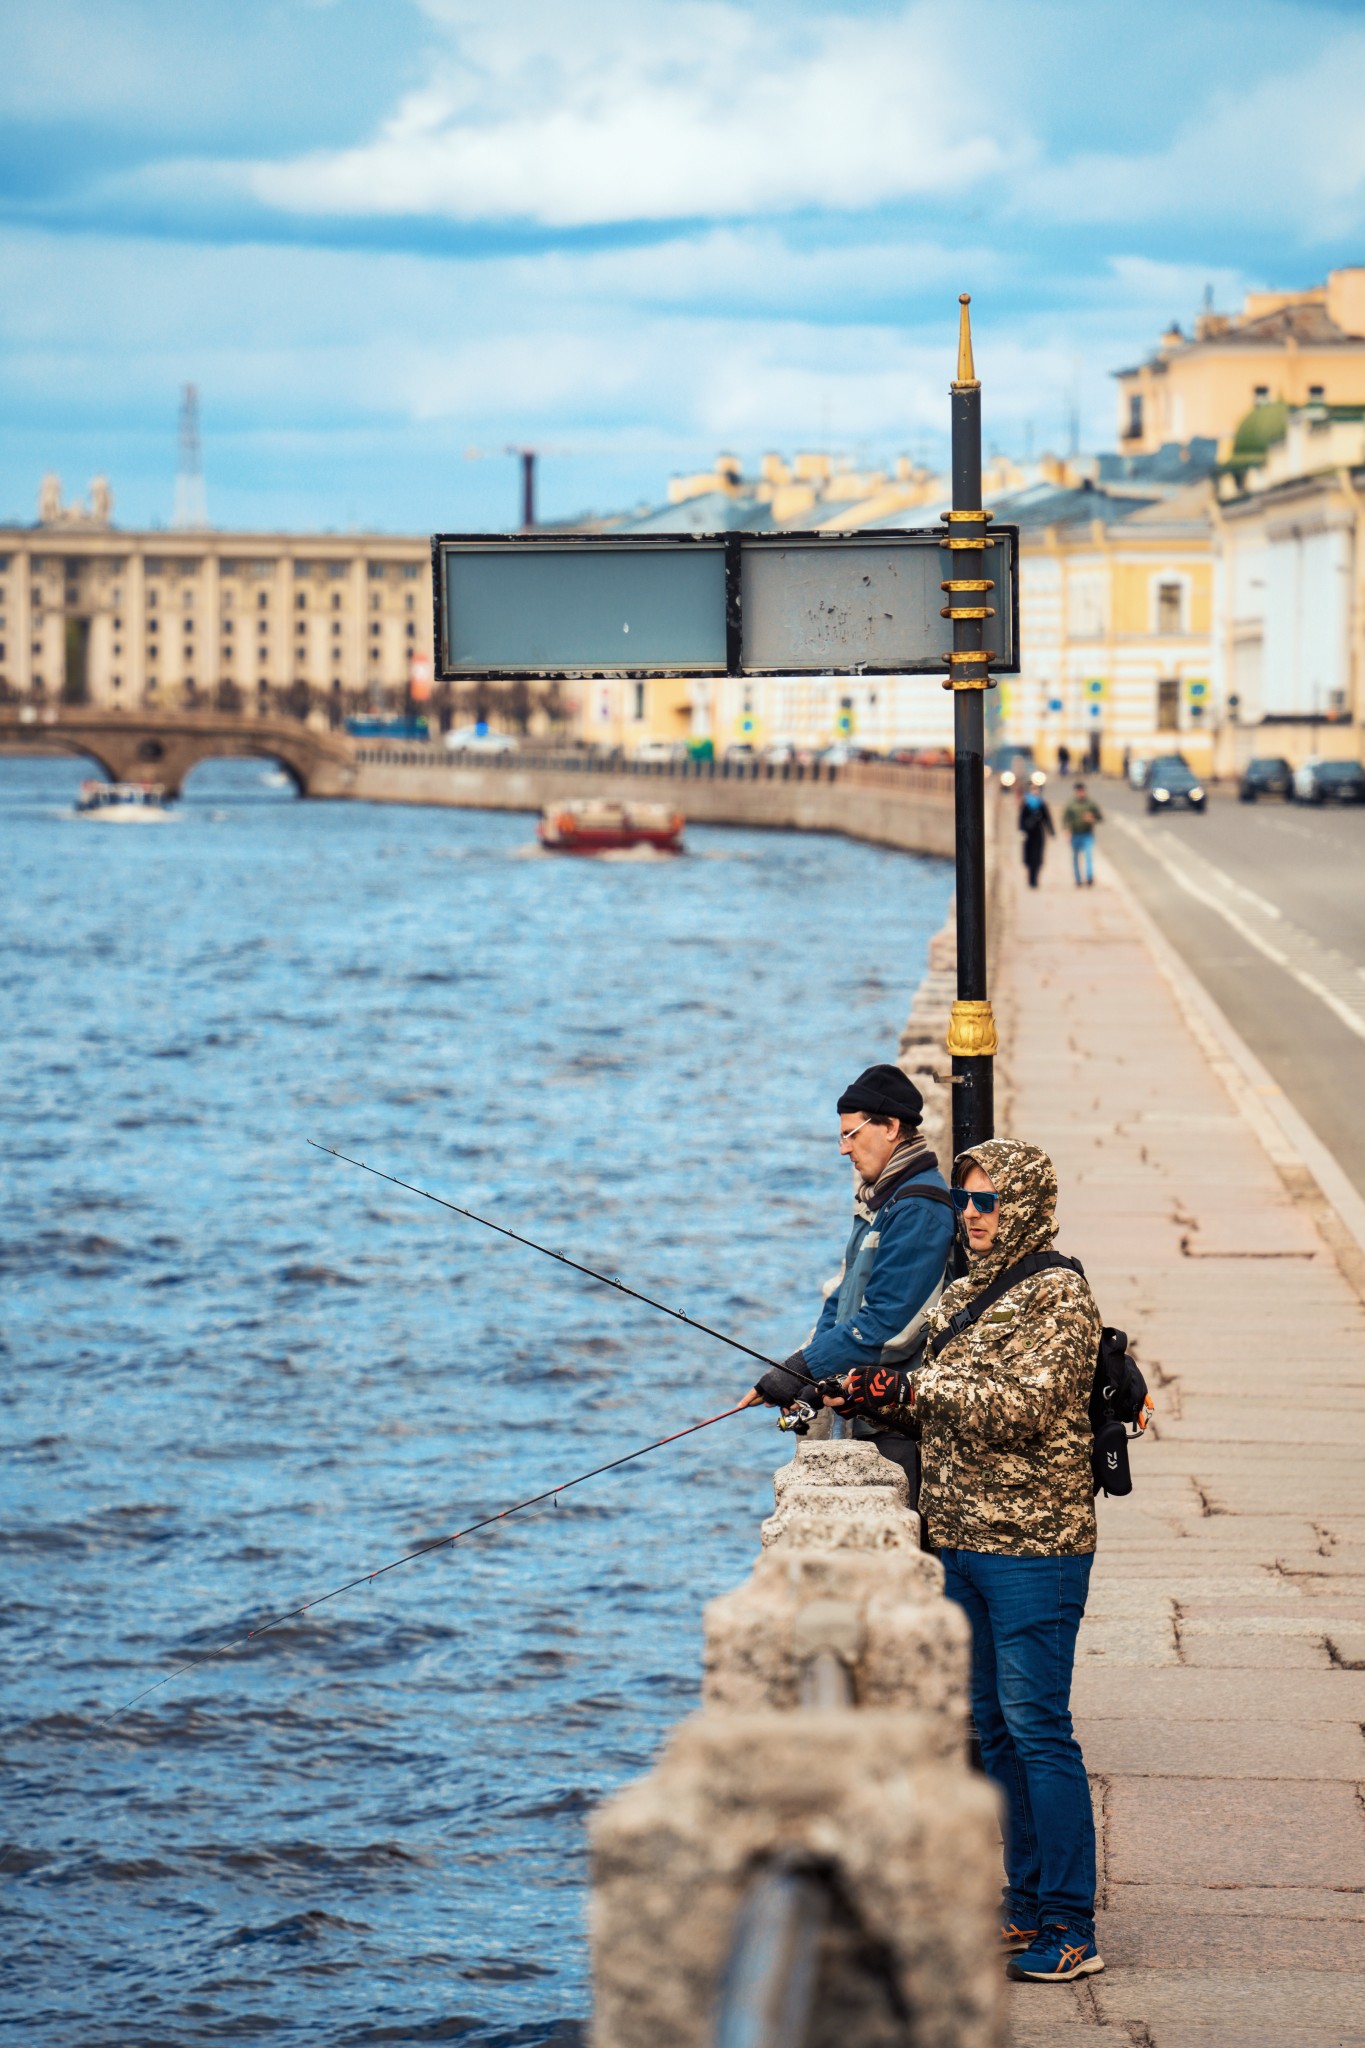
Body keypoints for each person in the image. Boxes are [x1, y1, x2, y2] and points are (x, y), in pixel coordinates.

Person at [829, 1139, 1104, 1982]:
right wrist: (872, 1398)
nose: (973, 1217)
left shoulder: (1058, 1297)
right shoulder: (964, 1290)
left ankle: (1071, 1926)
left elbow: (1024, 1407)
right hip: (960, 1535)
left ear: (1022, 1204)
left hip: (1033, 1548)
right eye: (966, 1202)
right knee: (991, 1731)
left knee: (1038, 1731)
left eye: (987, 1202)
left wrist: (910, 1388)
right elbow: (954, 1414)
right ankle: (1024, 1908)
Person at [740, 1064, 954, 1499]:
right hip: (865, 1414)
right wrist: (803, 1382)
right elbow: (839, 1306)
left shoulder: (919, 1209)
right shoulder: (883, 1202)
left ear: (891, 1127)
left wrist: (800, 1367)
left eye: (850, 1134)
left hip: (900, 1426)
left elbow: (887, 1326)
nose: (843, 1149)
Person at [1062, 781, 1103, 887]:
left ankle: (1089, 877)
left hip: (1087, 834)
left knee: (1088, 855)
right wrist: (1067, 831)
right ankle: (1078, 879)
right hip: (1075, 834)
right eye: (1079, 791)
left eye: (1082, 791)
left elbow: (1100, 817)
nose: (1081, 793)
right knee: (1075, 857)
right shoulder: (1071, 804)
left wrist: (1092, 819)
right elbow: (1065, 819)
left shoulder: (1090, 804)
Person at [1017, 775, 1055, 889]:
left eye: (1037, 789)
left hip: (1038, 833)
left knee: (1037, 858)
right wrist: (1022, 830)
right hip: (1028, 834)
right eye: (1033, 789)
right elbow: (1021, 818)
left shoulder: (1041, 803)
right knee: (1029, 858)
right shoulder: (1026, 803)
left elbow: (1047, 818)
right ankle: (1030, 878)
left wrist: (1051, 831)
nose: (1035, 791)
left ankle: (1035, 880)